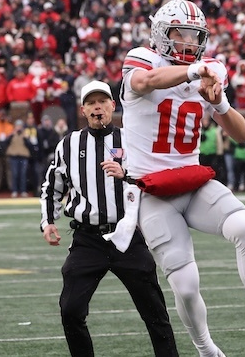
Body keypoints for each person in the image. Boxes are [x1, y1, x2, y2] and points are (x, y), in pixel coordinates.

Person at [116, 0, 245, 356]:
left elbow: (242, 135)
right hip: (151, 191)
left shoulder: (204, 72)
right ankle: (205, 348)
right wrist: (195, 71)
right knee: (185, 285)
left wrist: (221, 104)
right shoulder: (143, 58)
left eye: (194, 36)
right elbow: (147, 81)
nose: (188, 43)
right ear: (160, 34)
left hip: (192, 181)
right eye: (180, 35)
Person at [39, 80, 178, 357]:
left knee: (155, 312)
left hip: (127, 236)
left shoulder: (132, 139)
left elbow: (154, 179)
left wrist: (125, 173)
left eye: (102, 101)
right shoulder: (69, 144)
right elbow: (52, 185)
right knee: (71, 310)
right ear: (83, 110)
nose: (97, 107)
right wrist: (48, 221)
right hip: (88, 238)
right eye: (91, 103)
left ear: (113, 106)